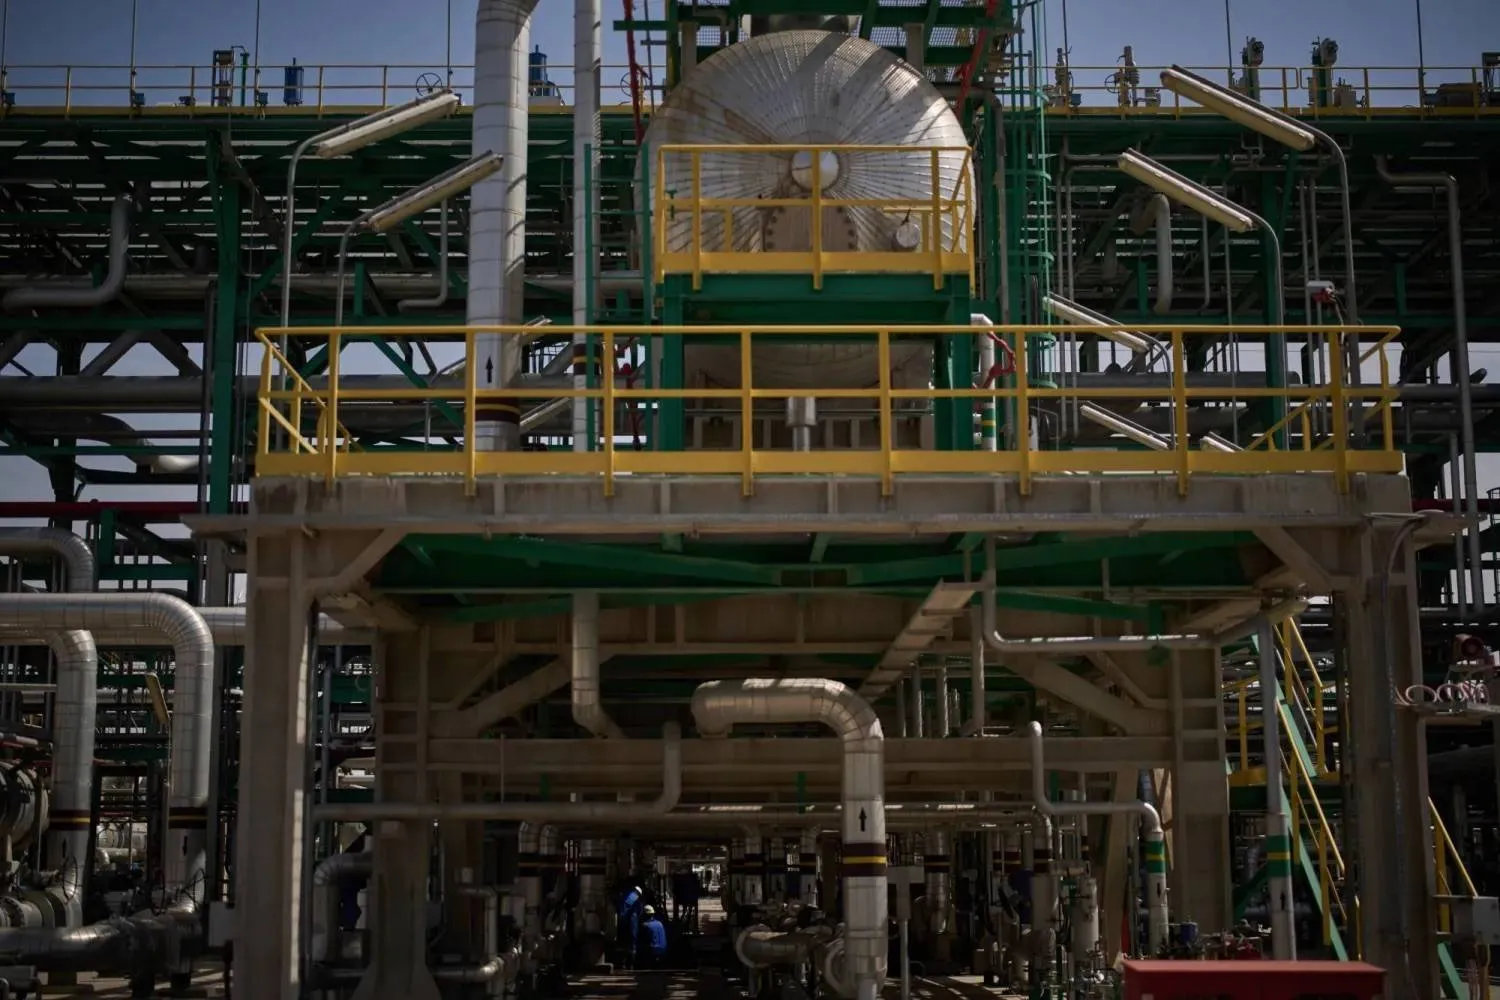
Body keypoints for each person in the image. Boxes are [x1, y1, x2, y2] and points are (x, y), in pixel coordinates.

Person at [617, 884, 644, 967]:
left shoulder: (626, 897)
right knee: (632, 944)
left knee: (624, 944)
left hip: (622, 923)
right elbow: (639, 913)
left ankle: (623, 962)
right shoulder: (637, 901)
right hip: (632, 925)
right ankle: (632, 963)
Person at [638, 904, 669, 968]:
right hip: (664, 951)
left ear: (645, 915)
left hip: (652, 951)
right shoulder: (660, 923)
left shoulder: (645, 925)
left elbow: (641, 939)